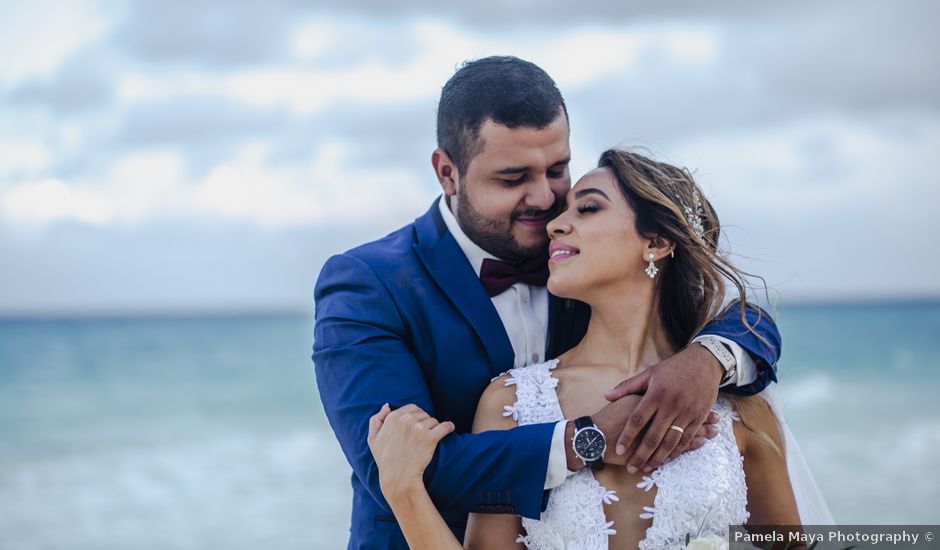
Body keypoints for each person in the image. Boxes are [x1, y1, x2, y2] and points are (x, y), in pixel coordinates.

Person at [312, 56, 780, 549]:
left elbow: (742, 313)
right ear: (448, 173)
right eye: (513, 179)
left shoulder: (585, 266)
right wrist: (588, 438)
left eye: (558, 170)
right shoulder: (368, 284)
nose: (546, 200)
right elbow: (401, 466)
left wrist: (708, 360)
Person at [368, 150, 830, 548]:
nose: (556, 225)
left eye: (587, 209)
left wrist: (706, 362)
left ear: (657, 242)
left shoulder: (735, 402)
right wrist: (402, 488)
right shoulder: (511, 404)